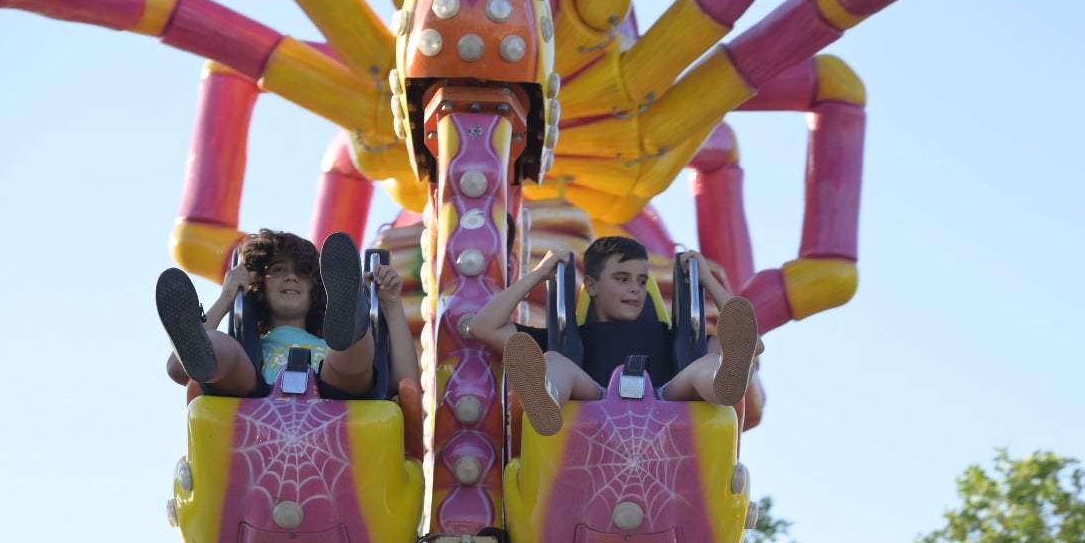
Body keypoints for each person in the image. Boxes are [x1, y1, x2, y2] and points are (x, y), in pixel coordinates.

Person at [466, 234, 760, 435]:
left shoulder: (677, 339)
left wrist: (706, 280)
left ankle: (724, 385)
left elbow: (752, 345)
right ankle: (546, 399)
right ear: (591, 286)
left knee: (708, 364)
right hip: (594, 402)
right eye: (622, 279)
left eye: (642, 281)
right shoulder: (568, 338)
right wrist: (539, 274)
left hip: (665, 403)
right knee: (554, 361)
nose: (636, 288)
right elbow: (483, 326)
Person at [155, 229, 419, 399]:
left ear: (318, 289)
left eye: (302, 272)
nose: (291, 277)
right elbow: (177, 369)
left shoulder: (328, 345)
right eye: (278, 270)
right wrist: (227, 297)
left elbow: (404, 382)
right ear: (258, 285)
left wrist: (391, 304)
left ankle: (354, 319)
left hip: (337, 398)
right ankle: (204, 346)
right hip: (256, 402)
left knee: (349, 354)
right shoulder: (249, 347)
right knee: (224, 349)